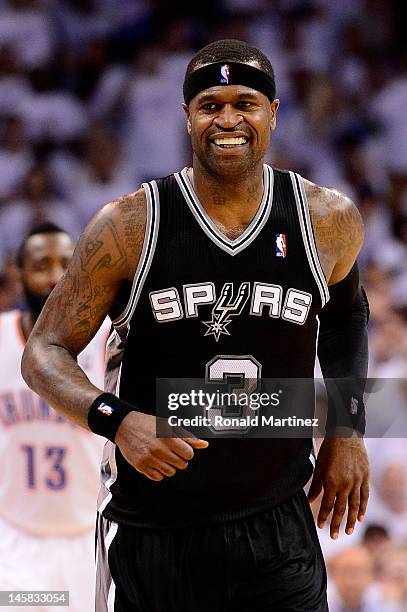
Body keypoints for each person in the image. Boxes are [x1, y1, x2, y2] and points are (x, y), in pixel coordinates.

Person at [22, 40, 370, 612]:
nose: (228, 120)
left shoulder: (325, 218)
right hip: (153, 529)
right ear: (187, 116)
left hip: (277, 524)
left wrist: (346, 427)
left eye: (245, 103)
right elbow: (44, 353)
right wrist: (118, 421)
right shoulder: (131, 225)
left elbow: (346, 317)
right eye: (210, 104)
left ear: (274, 113)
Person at [0, 223, 108, 612]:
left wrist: (295, 407)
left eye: (66, 264)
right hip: (16, 545)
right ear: (19, 273)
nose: (54, 277)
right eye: (41, 265)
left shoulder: (109, 340)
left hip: (88, 540)